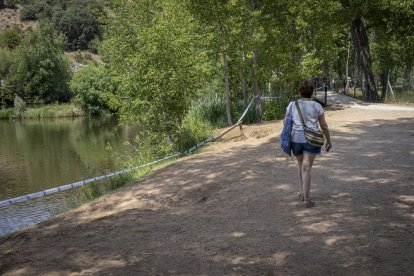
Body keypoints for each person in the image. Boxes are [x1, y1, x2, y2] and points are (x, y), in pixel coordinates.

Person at [283, 80, 332, 208]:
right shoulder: (317, 106)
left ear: (300, 92)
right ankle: (306, 198)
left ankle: (302, 192)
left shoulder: (292, 105)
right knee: (307, 167)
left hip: (296, 139)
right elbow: (324, 126)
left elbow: (285, 122)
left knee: (300, 165)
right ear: (312, 92)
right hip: (312, 139)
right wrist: (329, 140)